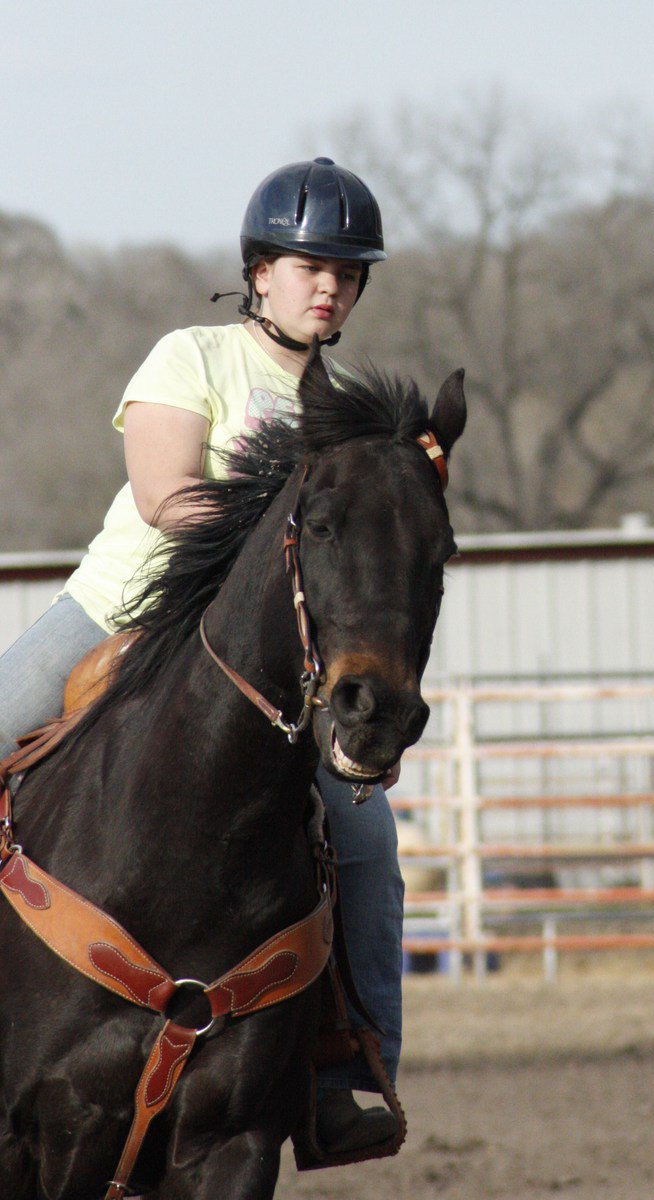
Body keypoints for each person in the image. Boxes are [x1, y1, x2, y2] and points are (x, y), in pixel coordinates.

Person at [0, 158, 403, 1155]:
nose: (329, 286)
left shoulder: (346, 406)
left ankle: (344, 1069)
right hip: (115, 615)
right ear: (258, 271)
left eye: (347, 273)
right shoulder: (191, 357)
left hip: (266, 669)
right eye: (309, 266)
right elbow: (164, 496)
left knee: (367, 844)